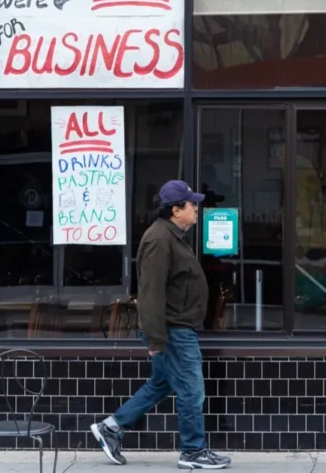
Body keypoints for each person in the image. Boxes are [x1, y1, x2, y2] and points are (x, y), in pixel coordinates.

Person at [90, 180, 232, 470]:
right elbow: (151, 292)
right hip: (172, 330)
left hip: (174, 326)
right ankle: (192, 452)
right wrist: (156, 340)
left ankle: (111, 427)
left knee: (161, 384)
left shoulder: (173, 236)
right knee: (192, 389)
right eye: (191, 204)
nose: (196, 208)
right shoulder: (159, 240)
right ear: (175, 210)